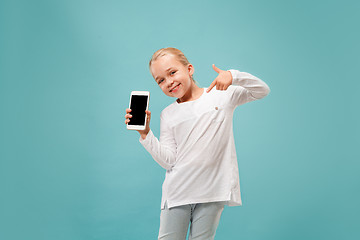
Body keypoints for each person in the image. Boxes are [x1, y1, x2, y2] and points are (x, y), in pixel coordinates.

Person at [124, 47, 270, 240]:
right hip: (178, 194)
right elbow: (169, 160)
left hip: (212, 194)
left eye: (172, 72)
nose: (169, 82)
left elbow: (262, 90)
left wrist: (233, 76)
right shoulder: (167, 114)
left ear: (189, 69)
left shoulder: (221, 95)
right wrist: (145, 133)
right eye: (161, 80)